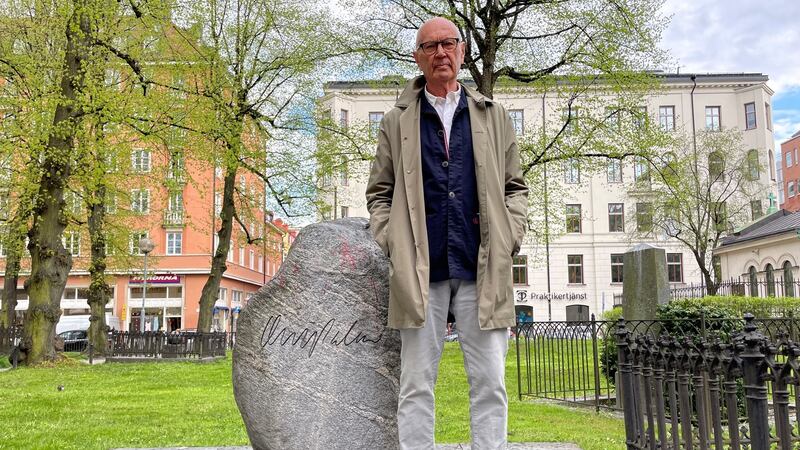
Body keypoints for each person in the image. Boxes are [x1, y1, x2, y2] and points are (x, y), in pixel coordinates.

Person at [365, 16, 529, 450]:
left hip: (483, 270)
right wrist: (392, 241)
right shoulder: (396, 121)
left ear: (461, 51)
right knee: (416, 386)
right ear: (418, 58)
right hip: (422, 273)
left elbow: (516, 187)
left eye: (448, 44)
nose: (440, 53)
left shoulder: (493, 116)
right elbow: (379, 193)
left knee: (490, 384)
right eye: (430, 46)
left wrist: (510, 234)